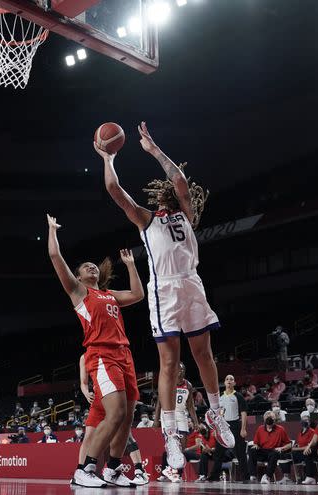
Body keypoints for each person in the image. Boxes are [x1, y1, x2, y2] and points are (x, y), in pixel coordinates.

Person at [95, 122, 234, 472]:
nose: (164, 193)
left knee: (204, 354)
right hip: (165, 291)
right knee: (169, 364)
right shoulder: (146, 220)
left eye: (166, 191)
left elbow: (182, 182)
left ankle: (216, 413)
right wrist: (107, 158)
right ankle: (171, 433)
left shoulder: (186, 213)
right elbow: (115, 191)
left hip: (192, 284)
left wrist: (155, 151)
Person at [48, 213, 145, 488]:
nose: (91, 267)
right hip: (102, 355)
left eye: (94, 265)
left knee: (126, 416)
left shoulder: (110, 294)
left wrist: (130, 266)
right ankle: (85, 468)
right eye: (86, 266)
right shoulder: (79, 293)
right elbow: (56, 259)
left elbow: (138, 295)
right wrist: (53, 231)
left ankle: (113, 469)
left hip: (125, 355)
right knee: (114, 413)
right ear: (78, 276)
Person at [77, 352, 149, 488]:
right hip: (98, 400)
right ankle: (80, 470)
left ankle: (139, 470)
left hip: (112, 398)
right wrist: (86, 393)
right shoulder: (84, 357)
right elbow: (83, 382)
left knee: (126, 434)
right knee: (89, 436)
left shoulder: (115, 353)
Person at [154, 362, 199, 479]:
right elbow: (159, 403)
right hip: (168, 414)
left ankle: (170, 470)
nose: (179, 371)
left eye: (182, 369)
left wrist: (196, 421)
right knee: (172, 444)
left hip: (181, 414)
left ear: (184, 371)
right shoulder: (167, 382)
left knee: (182, 446)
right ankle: (171, 471)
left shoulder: (188, 385)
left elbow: (190, 405)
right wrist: (156, 419)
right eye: (177, 369)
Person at [207, 375, 248, 482]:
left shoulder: (238, 396)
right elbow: (218, 416)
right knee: (218, 453)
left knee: (240, 453)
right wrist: (216, 430)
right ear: (224, 383)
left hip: (235, 425)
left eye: (231, 379)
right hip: (223, 427)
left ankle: (245, 477)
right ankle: (214, 476)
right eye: (227, 379)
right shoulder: (220, 397)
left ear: (234, 383)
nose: (229, 381)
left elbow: (244, 413)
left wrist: (243, 429)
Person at [247, 410, 292, 484]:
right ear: (264, 419)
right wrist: (256, 445)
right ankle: (252, 476)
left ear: (274, 419)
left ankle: (267, 476)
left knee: (274, 453)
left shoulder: (280, 429)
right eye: (267, 417)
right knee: (252, 450)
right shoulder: (260, 429)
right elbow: (256, 443)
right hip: (263, 451)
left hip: (274, 451)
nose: (269, 419)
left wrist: (281, 448)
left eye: (271, 417)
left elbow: (289, 444)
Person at [289, 412, 316, 483]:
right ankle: (288, 477)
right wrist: (296, 446)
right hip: (299, 452)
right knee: (287, 455)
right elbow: (299, 444)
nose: (304, 422)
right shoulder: (300, 432)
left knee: (307, 453)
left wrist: (295, 449)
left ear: (309, 422)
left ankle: (310, 477)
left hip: (309, 452)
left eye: (306, 420)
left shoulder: (312, 432)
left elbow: (309, 446)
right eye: (303, 420)